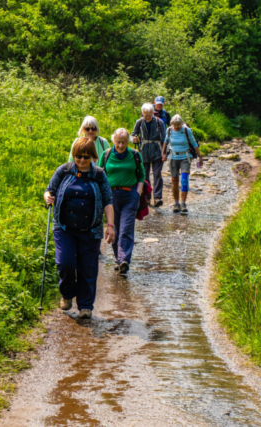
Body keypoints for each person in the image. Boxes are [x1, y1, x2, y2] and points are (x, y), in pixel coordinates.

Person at [44, 137, 115, 319]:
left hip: (91, 229)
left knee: (88, 268)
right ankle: (67, 294)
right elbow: (49, 190)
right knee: (65, 263)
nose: (81, 160)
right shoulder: (64, 170)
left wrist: (110, 225)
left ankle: (85, 306)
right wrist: (48, 197)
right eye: (78, 156)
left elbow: (107, 201)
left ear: (92, 156)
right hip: (64, 227)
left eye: (85, 156)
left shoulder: (99, 175)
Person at [98, 128, 145, 275]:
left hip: (130, 196)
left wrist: (138, 191)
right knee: (115, 229)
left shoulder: (135, 155)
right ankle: (119, 260)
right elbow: (99, 173)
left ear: (128, 142)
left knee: (126, 228)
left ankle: (124, 259)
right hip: (111, 197)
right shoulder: (106, 155)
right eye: (118, 142)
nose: (120, 145)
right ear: (113, 141)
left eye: (123, 142)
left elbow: (141, 176)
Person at [162, 114, 203, 214]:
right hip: (173, 157)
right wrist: (163, 153)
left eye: (178, 125)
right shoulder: (169, 130)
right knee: (174, 180)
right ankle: (176, 203)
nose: (176, 127)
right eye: (174, 125)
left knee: (184, 180)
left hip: (185, 157)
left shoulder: (186, 130)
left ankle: (183, 203)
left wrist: (200, 156)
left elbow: (193, 143)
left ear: (182, 124)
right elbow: (165, 141)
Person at [131, 103, 166, 207]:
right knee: (145, 175)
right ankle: (147, 197)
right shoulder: (139, 122)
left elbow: (165, 139)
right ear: (142, 113)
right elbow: (133, 134)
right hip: (144, 151)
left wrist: (165, 152)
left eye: (150, 115)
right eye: (145, 115)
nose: (148, 117)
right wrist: (133, 139)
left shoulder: (159, 122)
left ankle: (157, 197)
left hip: (157, 150)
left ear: (153, 113)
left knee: (157, 174)